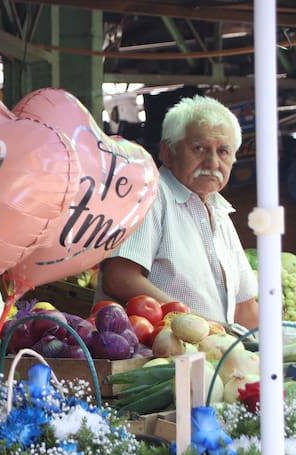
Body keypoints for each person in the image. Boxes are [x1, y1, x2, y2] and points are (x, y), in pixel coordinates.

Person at [95, 94, 259, 329]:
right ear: (167, 152)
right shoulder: (150, 195)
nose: (212, 162)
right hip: (156, 356)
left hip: (207, 357)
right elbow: (119, 278)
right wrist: (201, 327)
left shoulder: (219, 211)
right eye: (199, 148)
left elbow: (244, 308)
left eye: (223, 151)